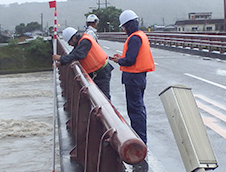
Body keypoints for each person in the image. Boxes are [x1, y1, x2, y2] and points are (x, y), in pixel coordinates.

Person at [110, 10, 154, 144]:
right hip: (138, 76)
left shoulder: (135, 38)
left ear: (128, 25)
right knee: (138, 108)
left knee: (135, 110)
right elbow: (132, 57)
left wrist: (119, 61)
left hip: (134, 78)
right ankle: (140, 139)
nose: (124, 30)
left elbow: (130, 60)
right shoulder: (140, 35)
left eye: (123, 27)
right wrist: (122, 58)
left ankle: (140, 141)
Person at [53, 27, 113, 100]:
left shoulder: (85, 41)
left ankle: (109, 111)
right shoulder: (80, 42)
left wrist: (61, 58)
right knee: (98, 96)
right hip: (97, 72)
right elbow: (73, 54)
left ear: (74, 38)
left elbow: (78, 54)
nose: (70, 45)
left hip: (101, 71)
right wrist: (61, 62)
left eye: (69, 42)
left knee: (104, 97)